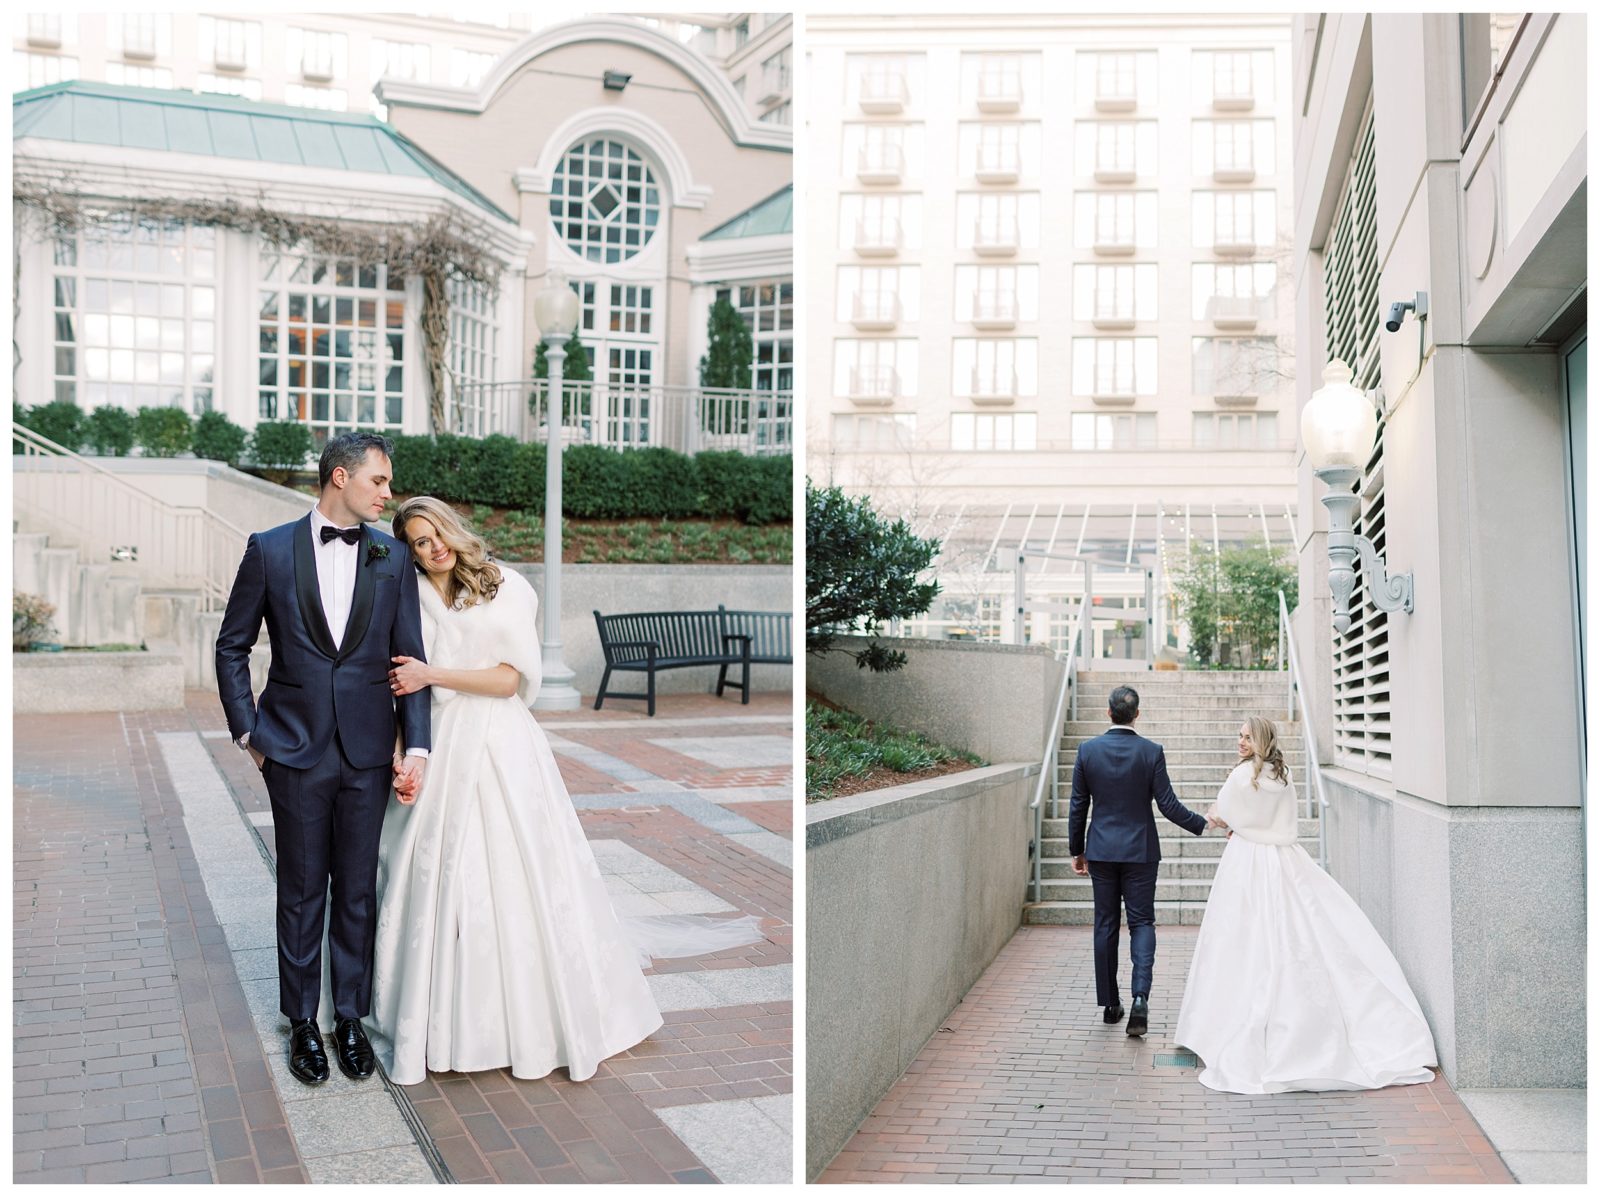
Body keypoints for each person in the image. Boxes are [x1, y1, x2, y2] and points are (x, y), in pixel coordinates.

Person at [367, 496, 760, 1085]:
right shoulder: (414, 597)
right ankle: (436, 1011)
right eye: (419, 543)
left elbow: (509, 680)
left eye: (436, 534)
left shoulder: (508, 587)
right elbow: (402, 678)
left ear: (454, 529)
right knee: (433, 875)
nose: (433, 548)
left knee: (516, 867)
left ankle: (526, 1019)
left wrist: (434, 674)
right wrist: (407, 746)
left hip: (499, 741)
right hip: (442, 742)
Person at [214, 432, 430, 1086]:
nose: (388, 493)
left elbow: (409, 662)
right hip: (295, 750)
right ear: (340, 477)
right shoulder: (270, 549)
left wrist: (415, 743)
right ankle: (303, 1020)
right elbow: (231, 648)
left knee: (357, 890)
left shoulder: (393, 557)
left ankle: (350, 1015)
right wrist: (250, 735)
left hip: (367, 751)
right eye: (379, 481)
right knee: (302, 891)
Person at [1175, 716, 1438, 1093]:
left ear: (1259, 741)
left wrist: (1227, 823)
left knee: (1239, 937)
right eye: (1240, 736)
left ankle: (1226, 1023)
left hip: (1246, 860)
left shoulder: (1240, 777)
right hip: (1283, 858)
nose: (1240, 742)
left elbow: (1219, 815)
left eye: (1247, 737)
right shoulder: (1282, 776)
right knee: (1296, 929)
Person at [1068, 685, 1224, 1037]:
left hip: (1102, 852)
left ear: (1108, 713)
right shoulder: (1151, 752)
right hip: (1140, 852)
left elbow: (1078, 806)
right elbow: (1168, 805)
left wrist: (1076, 850)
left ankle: (1110, 1005)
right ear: (1137, 714)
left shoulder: (1087, 751)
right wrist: (1204, 823)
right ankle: (1140, 998)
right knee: (1142, 923)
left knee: (1105, 924)